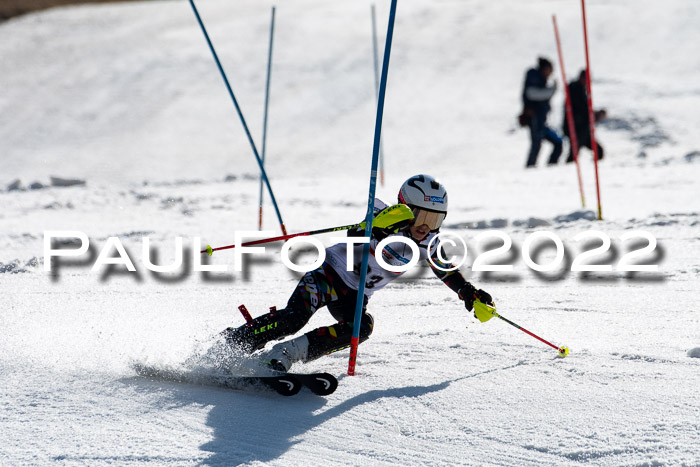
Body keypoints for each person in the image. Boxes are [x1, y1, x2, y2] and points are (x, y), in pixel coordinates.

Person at [222, 174, 494, 372]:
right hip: (327, 276)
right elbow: (355, 232)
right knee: (295, 318)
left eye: (435, 219)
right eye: (422, 217)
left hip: (355, 294)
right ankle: (234, 343)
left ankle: (285, 354)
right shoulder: (381, 211)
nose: (426, 227)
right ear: (406, 207)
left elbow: (446, 270)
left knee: (360, 328)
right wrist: (378, 228)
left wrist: (468, 293)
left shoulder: (428, 242)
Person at [520, 57, 563, 167]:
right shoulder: (533, 76)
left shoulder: (540, 79)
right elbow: (532, 94)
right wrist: (551, 90)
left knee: (557, 143)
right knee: (536, 143)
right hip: (535, 118)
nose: (551, 72)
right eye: (550, 69)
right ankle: (530, 167)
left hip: (541, 119)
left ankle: (550, 166)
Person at [563, 69, 606, 163]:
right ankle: (566, 171)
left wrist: (594, 115)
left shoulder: (581, 90)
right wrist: (594, 115)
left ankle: (593, 168)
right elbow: (580, 110)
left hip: (582, 130)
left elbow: (584, 110)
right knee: (574, 155)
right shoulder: (574, 90)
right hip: (575, 129)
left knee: (598, 151)